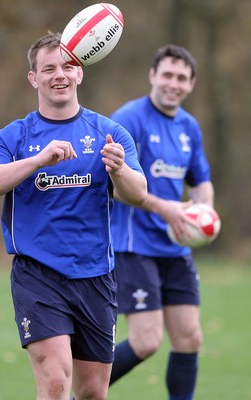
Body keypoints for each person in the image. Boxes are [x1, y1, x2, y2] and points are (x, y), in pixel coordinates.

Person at [0, 31, 147, 400]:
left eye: (67, 66)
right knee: (54, 381)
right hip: (38, 274)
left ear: (80, 72)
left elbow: (139, 193)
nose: (59, 75)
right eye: (48, 68)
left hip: (96, 274)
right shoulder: (13, 137)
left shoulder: (110, 134)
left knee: (93, 391)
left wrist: (119, 171)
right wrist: (36, 161)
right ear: (34, 78)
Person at [109, 44, 214, 400]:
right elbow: (114, 187)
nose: (174, 83)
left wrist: (205, 216)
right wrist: (166, 209)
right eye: (167, 74)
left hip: (175, 247)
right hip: (134, 245)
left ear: (191, 84)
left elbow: (200, 181)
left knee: (189, 337)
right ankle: (78, 394)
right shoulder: (129, 119)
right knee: (145, 341)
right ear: (152, 75)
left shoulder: (189, 127)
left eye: (182, 78)